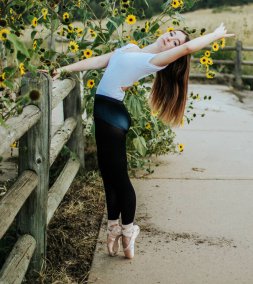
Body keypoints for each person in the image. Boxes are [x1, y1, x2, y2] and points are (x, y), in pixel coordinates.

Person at [41, 23, 234, 259]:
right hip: (104, 115)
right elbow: (98, 61)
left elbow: (188, 49)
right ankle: (113, 228)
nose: (170, 40)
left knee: (120, 179)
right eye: (172, 34)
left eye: (176, 42)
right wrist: (63, 69)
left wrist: (214, 35)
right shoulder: (130, 48)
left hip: (112, 117)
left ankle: (129, 230)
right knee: (108, 176)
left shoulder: (157, 60)